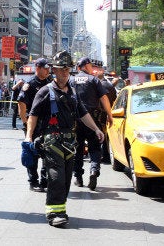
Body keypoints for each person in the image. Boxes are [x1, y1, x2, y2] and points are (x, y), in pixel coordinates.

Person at [24, 51, 104, 227]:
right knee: (56, 176)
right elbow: (33, 115)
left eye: (67, 69)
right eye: (61, 69)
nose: (65, 73)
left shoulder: (73, 92)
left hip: (69, 143)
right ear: (54, 70)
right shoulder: (45, 91)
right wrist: (29, 136)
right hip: (51, 141)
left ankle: (60, 208)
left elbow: (83, 114)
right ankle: (54, 213)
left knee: (66, 178)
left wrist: (97, 128)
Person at [70, 57, 113, 190]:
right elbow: (104, 98)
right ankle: (94, 170)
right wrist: (110, 115)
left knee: (77, 148)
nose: (92, 68)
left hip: (76, 121)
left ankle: (78, 177)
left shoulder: (71, 80)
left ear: (78, 68)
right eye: (90, 66)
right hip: (93, 119)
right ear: (86, 66)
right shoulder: (93, 80)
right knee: (94, 147)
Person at [18, 57, 52, 192]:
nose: (48, 70)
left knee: (47, 152)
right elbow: (21, 103)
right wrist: (26, 123)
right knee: (32, 153)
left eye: (49, 68)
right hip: (33, 124)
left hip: (47, 124)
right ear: (38, 68)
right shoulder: (30, 84)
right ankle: (33, 181)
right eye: (45, 68)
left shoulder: (50, 82)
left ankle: (45, 180)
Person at [98, 73, 117, 164]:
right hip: (109, 114)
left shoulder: (99, 86)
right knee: (107, 136)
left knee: (102, 136)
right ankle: (107, 155)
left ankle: (104, 155)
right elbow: (114, 100)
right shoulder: (110, 86)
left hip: (101, 115)